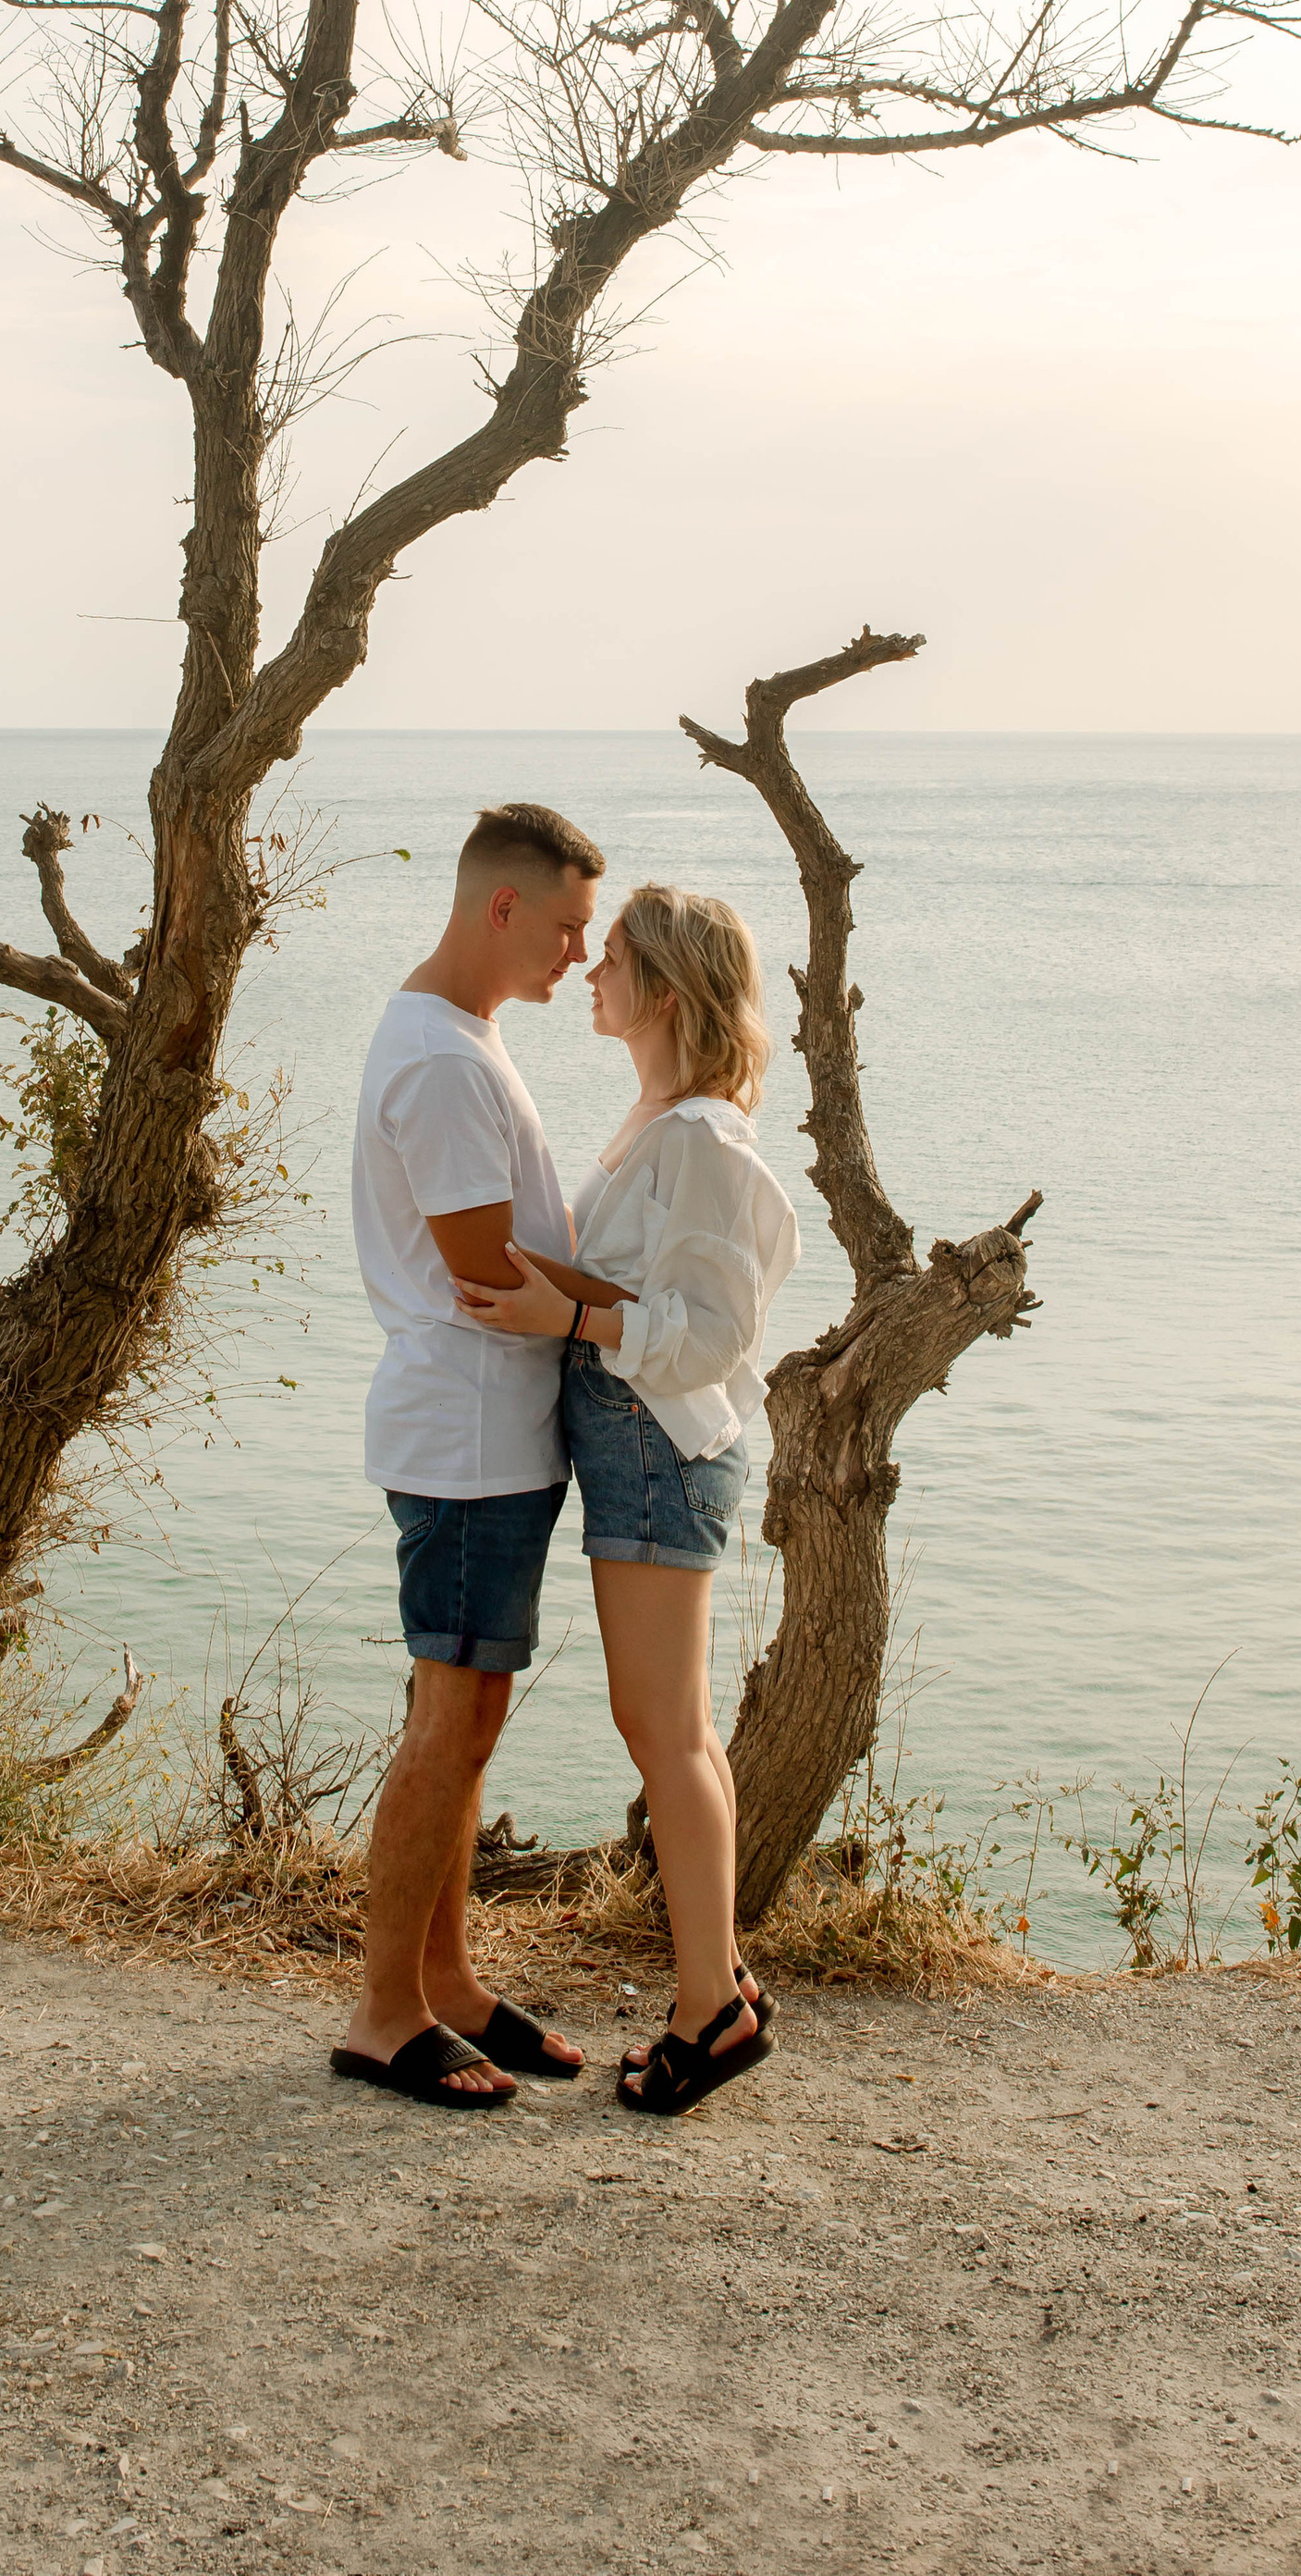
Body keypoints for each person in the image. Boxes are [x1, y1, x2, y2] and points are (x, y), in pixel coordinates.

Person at [455, 882, 797, 2115]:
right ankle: (722, 1987)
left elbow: (713, 1332)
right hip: (639, 1439)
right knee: (677, 1730)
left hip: (658, 1441)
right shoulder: (660, 1120)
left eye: (609, 959)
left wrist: (572, 1315)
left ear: (661, 987)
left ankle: (711, 2005)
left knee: (665, 1732)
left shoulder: (700, 1136)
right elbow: (621, 1278)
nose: (588, 974)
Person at [331, 800, 608, 2111]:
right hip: (466, 1435)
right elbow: (484, 1264)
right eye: (564, 928)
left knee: (471, 1722)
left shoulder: (460, 1036)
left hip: (492, 1432)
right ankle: (385, 2014)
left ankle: (446, 1983)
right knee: (447, 1728)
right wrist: (634, 1306)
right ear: (502, 907)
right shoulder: (443, 1060)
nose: (575, 953)